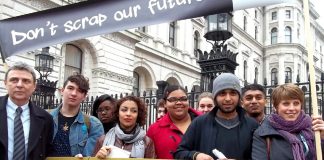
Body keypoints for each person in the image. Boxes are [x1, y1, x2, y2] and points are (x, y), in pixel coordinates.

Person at [174, 73, 259, 160]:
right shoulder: (199, 123)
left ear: (239, 97)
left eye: (233, 93)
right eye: (222, 93)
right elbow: (179, 153)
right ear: (215, 97)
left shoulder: (252, 126)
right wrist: (196, 156)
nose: (228, 98)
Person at [252, 83, 324, 160]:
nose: (292, 108)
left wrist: (322, 138)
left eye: (296, 103)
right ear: (276, 107)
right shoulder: (263, 133)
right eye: (286, 104)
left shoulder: (311, 127)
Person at [0, 62, 54, 160]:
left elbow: (48, 151)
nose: (19, 85)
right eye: (14, 80)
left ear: (34, 86)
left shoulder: (46, 119)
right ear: (5, 83)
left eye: (26, 81)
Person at [51, 74, 104, 157]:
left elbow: (90, 156)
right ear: (62, 91)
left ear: (84, 97)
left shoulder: (94, 125)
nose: (74, 93)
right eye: (70, 88)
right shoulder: (45, 118)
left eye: (79, 90)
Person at [147, 85, 202, 159]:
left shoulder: (204, 122)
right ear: (165, 104)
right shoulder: (154, 130)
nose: (179, 102)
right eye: (173, 99)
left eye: (183, 99)